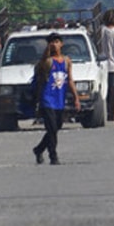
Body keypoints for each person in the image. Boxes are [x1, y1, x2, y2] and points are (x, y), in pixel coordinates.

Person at [32, 32, 78, 165]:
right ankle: (53, 155)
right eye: (51, 42)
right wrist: (47, 50)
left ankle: (39, 149)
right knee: (51, 128)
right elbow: (42, 64)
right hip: (47, 99)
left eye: (57, 41)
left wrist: (76, 98)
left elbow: (70, 80)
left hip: (59, 99)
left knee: (56, 126)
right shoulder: (47, 61)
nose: (54, 44)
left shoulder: (67, 61)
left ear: (61, 44)